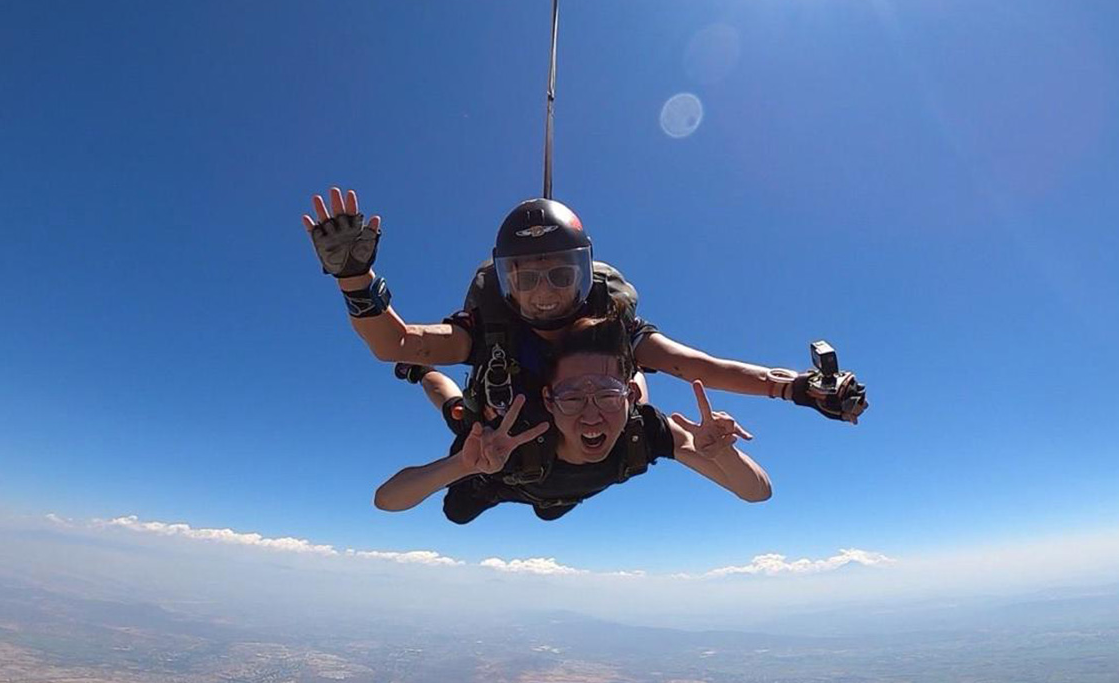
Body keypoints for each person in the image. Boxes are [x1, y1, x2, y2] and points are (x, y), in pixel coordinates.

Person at [301, 185, 868, 428]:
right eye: (526, 278)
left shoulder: (613, 323)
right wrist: (355, 279)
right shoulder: (490, 325)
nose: (545, 292)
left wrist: (797, 388)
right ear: (505, 282)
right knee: (452, 405)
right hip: (502, 426)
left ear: (583, 272)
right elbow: (395, 344)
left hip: (571, 427)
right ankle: (424, 377)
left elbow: (699, 367)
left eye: (559, 274)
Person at [374, 316, 771, 523]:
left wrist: (723, 453)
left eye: (608, 396)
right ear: (548, 400)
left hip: (560, 495)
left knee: (550, 511)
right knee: (457, 421)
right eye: (573, 397)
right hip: (500, 482)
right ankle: (419, 371)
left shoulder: (644, 430)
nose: (591, 414)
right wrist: (463, 465)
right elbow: (386, 500)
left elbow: (757, 491)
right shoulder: (509, 435)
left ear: (630, 397)